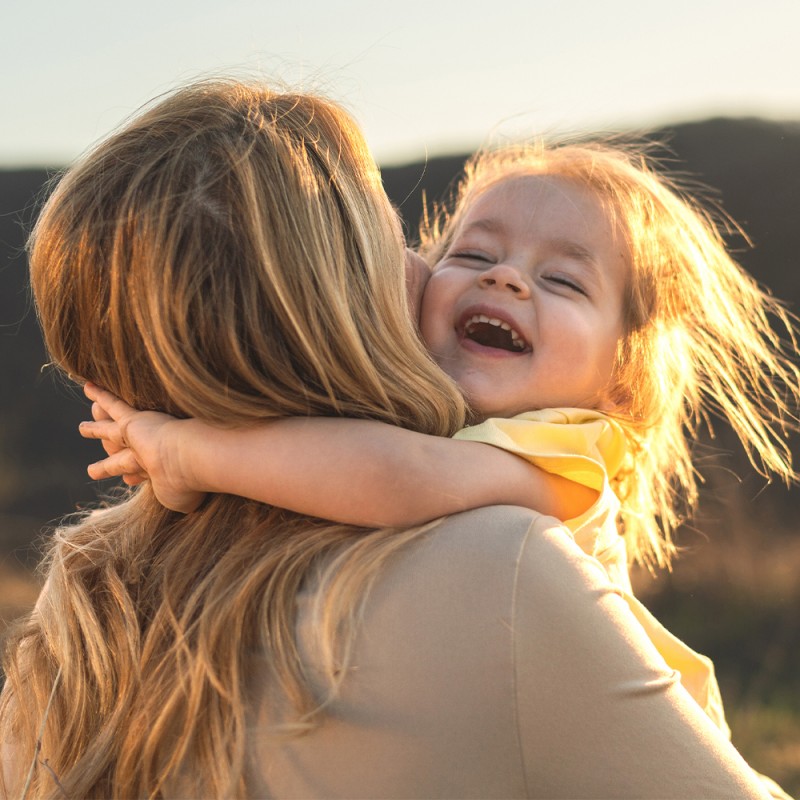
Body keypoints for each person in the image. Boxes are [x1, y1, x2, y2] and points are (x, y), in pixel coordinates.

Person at [0, 78, 784, 799]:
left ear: (622, 378)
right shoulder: (498, 569)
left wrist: (188, 450)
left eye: (564, 280)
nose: (502, 280)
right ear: (332, 298)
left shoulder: (75, 612)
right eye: (467, 254)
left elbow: (399, 473)